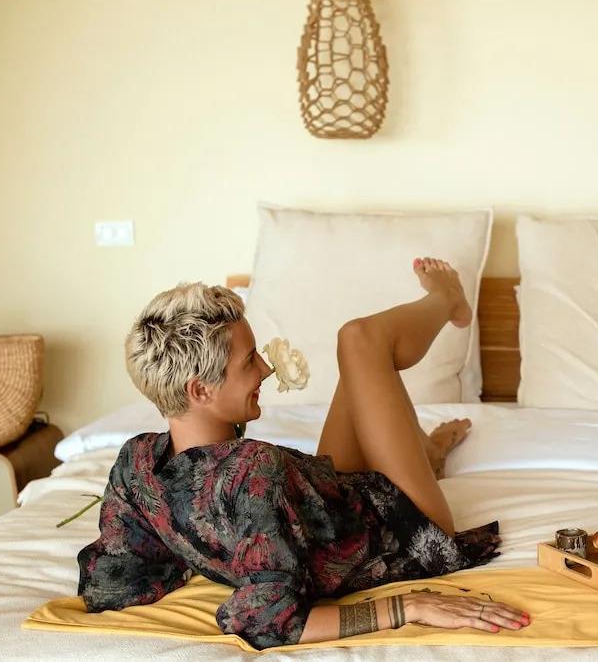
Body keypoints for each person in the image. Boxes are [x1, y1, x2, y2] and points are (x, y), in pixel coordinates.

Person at [78, 258, 531, 649]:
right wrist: (407, 607)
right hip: (407, 526)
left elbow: (113, 583)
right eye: (249, 360)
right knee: (359, 338)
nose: (265, 369)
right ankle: (448, 299)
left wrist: (202, 544)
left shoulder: (138, 463)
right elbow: (271, 623)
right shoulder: (249, 474)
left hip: (329, 505)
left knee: (357, 359)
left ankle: (423, 451)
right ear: (200, 390)